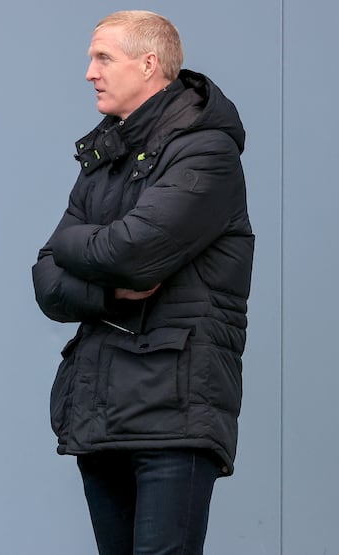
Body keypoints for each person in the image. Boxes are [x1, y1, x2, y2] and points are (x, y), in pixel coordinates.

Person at [31, 10, 253, 555]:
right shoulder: (105, 156)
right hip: (100, 410)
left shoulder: (206, 151)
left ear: (149, 64)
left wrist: (76, 246)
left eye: (103, 57)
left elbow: (131, 255)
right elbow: (45, 280)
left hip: (173, 411)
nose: (90, 72)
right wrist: (104, 289)